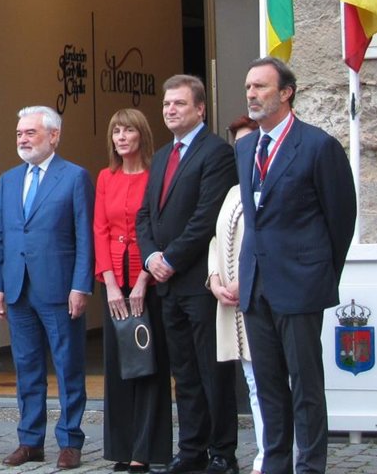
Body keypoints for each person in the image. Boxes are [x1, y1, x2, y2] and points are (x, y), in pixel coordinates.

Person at [237, 57, 356, 474]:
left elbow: (340, 218)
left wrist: (319, 273)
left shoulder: (317, 145)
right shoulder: (246, 146)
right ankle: (276, 463)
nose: (251, 94)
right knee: (268, 385)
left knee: (305, 385)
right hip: (256, 284)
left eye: (261, 87)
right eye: (249, 86)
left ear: (286, 92)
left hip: (299, 283)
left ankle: (310, 466)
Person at [136, 75, 238, 474]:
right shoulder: (161, 156)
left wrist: (171, 259)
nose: (170, 110)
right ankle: (191, 449)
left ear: (200, 108)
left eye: (179, 103)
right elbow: (146, 215)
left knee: (212, 371)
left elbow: (206, 218)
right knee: (185, 373)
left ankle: (222, 453)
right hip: (167, 285)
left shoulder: (216, 154)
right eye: (166, 104)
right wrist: (150, 258)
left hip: (198, 282)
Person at [0, 105, 93, 470]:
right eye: (19, 134)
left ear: (54, 135)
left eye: (30, 133)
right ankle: (30, 441)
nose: (23, 139)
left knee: (68, 367)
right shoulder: (8, 180)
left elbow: (85, 237)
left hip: (59, 288)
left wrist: (81, 285)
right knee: (27, 368)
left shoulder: (74, 177)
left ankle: (70, 440)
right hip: (17, 290)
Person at [94, 109, 172, 473]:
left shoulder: (157, 175)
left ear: (142, 134)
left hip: (148, 280)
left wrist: (144, 279)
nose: (121, 137)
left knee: (149, 365)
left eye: (127, 130)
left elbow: (159, 230)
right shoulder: (105, 178)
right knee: (119, 367)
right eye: (116, 132)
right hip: (114, 284)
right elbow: (99, 231)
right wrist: (109, 282)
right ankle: (121, 450)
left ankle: (145, 450)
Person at [208, 115, 262, 474]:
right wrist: (214, 278)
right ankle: (265, 450)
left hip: (261, 299)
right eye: (238, 145)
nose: (243, 150)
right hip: (230, 302)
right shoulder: (231, 191)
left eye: (250, 142)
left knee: (275, 381)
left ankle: (279, 452)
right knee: (253, 382)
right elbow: (215, 239)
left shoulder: (273, 186)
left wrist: (250, 280)